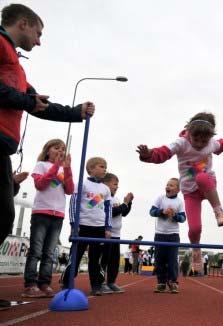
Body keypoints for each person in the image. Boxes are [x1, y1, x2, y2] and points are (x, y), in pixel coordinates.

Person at [0, 3, 95, 310]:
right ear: (24, 23)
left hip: (3, 147)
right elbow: (23, 99)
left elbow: (38, 104)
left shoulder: (15, 64)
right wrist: (23, 98)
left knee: (2, 216)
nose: (39, 41)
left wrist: (75, 113)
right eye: (38, 33)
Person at [137, 112, 223, 274]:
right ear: (189, 132)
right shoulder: (181, 143)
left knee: (201, 176)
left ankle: (218, 211)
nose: (200, 144)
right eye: (196, 140)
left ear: (209, 137)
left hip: (207, 185)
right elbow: (164, 152)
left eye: (204, 141)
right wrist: (149, 154)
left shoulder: (211, 144)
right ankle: (196, 249)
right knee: (195, 228)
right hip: (189, 192)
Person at [21, 139, 74, 298]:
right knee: (36, 250)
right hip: (41, 213)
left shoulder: (64, 169)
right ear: (47, 150)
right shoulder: (41, 165)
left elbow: (70, 190)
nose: (60, 151)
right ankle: (30, 284)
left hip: (57, 214)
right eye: (56, 148)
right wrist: (56, 166)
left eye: (63, 149)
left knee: (49, 253)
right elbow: (41, 185)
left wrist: (68, 168)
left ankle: (44, 283)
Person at [61, 157, 112, 295]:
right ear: (91, 169)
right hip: (82, 226)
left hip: (99, 228)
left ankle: (96, 285)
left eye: (106, 167)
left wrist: (108, 228)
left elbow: (108, 209)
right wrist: (74, 224)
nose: (104, 169)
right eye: (101, 166)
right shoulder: (81, 184)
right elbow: (73, 204)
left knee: (95, 259)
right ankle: (67, 283)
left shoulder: (105, 189)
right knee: (75, 256)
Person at [150, 177, 186, 293]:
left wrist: (174, 216)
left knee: (172, 260)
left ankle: (173, 282)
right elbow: (151, 212)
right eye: (167, 184)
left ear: (178, 189)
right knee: (159, 259)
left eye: (171, 185)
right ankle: (161, 282)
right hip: (160, 234)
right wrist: (162, 212)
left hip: (173, 235)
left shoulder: (179, 202)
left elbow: (183, 218)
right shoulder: (160, 198)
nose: (168, 187)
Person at [100, 173, 134, 294]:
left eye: (117, 185)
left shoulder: (116, 198)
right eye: (115, 184)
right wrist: (124, 204)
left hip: (116, 235)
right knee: (104, 259)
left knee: (114, 260)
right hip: (106, 233)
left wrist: (128, 203)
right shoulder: (103, 197)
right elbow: (111, 212)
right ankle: (100, 282)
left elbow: (122, 213)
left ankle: (111, 282)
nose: (117, 187)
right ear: (105, 184)